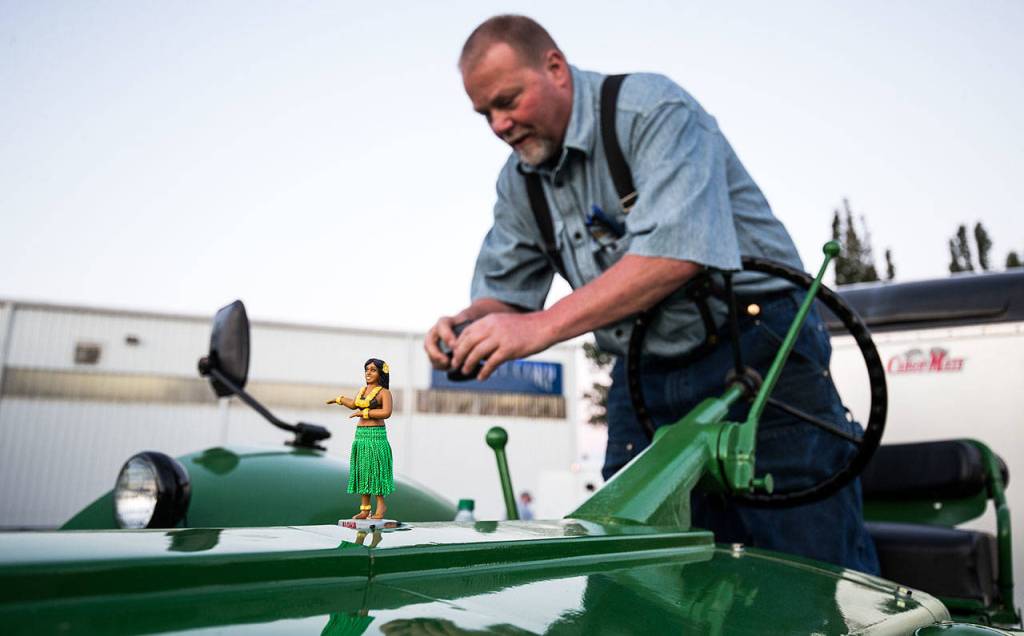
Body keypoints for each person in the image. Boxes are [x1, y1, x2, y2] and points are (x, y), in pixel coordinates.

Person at [424, 15, 878, 573]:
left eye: (508, 100)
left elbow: (673, 256)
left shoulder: (652, 111)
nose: (499, 123)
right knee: (633, 567)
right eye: (484, 113)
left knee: (810, 570)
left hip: (758, 353)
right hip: (643, 373)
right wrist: (469, 323)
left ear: (555, 68)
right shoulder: (519, 182)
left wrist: (538, 329)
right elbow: (509, 300)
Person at [327, 358, 394, 520]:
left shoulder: (384, 392)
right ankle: (365, 509)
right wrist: (340, 400)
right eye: (367, 369)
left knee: (375, 470)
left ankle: (381, 505)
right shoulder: (363, 390)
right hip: (361, 436)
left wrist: (365, 414)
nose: (368, 373)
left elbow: (386, 412)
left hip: (375, 436)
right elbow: (354, 404)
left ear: (380, 373)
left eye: (373, 370)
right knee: (363, 470)